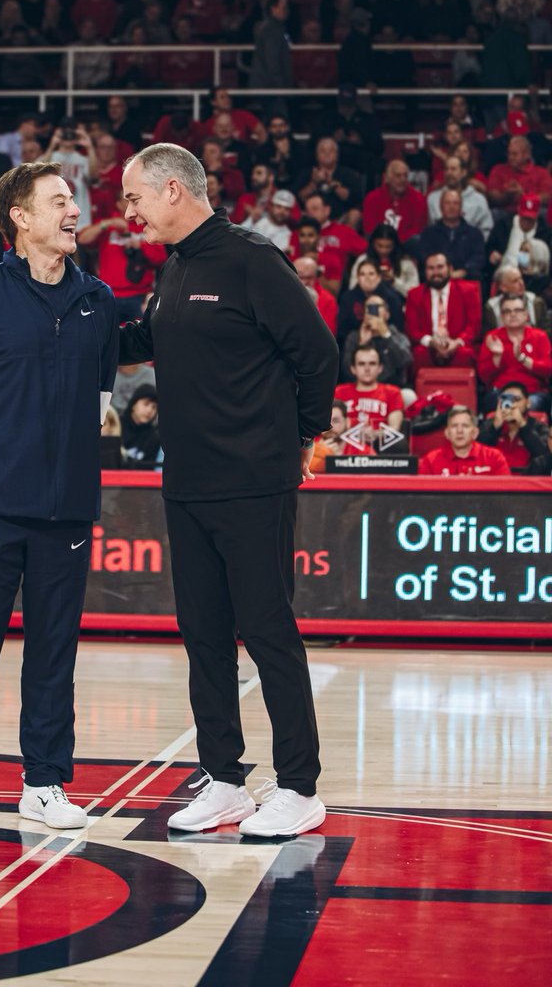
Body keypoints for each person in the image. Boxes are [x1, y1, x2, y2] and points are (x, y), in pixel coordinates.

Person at [119, 144, 337, 838]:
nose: (130, 213)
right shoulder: (175, 269)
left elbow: (318, 354)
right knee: (204, 638)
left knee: (269, 634)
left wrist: (301, 439)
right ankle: (225, 780)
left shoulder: (251, 260)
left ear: (174, 190)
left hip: (253, 484)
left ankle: (300, 788)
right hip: (186, 485)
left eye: (136, 199)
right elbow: (138, 338)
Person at [0, 160, 118, 833]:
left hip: (66, 508)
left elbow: (97, 403)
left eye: (74, 200)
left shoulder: (98, 301)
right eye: (59, 201)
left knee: (54, 650)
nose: (73, 211)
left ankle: (44, 781)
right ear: (21, 219)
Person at [405, 252, 481, 371]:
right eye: (431, 268)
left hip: (458, 343)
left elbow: (474, 326)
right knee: (419, 354)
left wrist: (457, 342)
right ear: (425, 271)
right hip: (429, 345)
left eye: (440, 267)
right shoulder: (415, 294)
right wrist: (431, 342)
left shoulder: (469, 291)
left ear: (450, 269)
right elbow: (412, 329)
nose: (435, 273)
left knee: (465, 354)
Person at [478, 295, 552, 412]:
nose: (512, 314)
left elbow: (548, 371)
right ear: (501, 317)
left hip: (533, 392)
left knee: (532, 404)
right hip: (501, 392)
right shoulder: (492, 337)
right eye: (507, 311)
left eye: (517, 310)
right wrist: (497, 357)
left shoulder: (540, 336)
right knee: (494, 402)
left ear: (526, 315)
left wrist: (522, 358)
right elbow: (484, 377)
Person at [335, 344, 405, 446]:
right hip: (345, 445)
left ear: (380, 368)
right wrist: (355, 434)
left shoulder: (392, 392)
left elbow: (394, 428)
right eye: (361, 364)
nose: (367, 368)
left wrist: (376, 434)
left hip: (380, 445)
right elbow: (332, 426)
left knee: (400, 444)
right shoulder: (340, 392)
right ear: (353, 368)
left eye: (372, 364)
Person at [418, 406, 511, 476]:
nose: (459, 431)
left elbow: (506, 495)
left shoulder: (494, 457)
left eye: (465, 426)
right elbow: (421, 498)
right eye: (454, 426)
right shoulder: (431, 460)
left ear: (475, 432)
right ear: (447, 433)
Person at [341, 294, 412, 387]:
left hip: (392, 387)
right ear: (363, 314)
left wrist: (386, 336)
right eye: (369, 307)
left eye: (377, 307)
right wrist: (362, 344)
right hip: (360, 388)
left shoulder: (397, 336)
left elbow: (404, 362)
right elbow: (347, 370)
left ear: (387, 314)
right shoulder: (354, 337)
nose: (373, 311)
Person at [477, 381, 550, 472]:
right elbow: (476, 453)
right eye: (505, 399)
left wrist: (522, 425)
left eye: (517, 399)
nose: (512, 405)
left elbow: (544, 457)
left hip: (528, 481)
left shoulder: (539, 427)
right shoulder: (489, 424)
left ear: (528, 403)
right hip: (495, 480)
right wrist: (495, 427)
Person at [417, 188, 487, 281]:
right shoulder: (429, 233)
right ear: (441, 207)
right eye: (447, 203)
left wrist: (463, 271)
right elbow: (424, 257)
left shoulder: (474, 234)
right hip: (436, 279)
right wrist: (442, 272)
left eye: (455, 203)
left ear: (461, 207)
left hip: (466, 280)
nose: (451, 207)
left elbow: (478, 258)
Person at [362, 159, 428, 242]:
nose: (403, 179)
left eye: (405, 176)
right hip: (379, 246)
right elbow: (369, 229)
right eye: (398, 176)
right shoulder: (372, 198)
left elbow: (418, 230)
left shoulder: (418, 199)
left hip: (407, 248)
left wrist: (396, 243)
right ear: (387, 178)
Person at [249, 0, 292, 109]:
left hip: (269, 85)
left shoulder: (274, 28)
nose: (286, 11)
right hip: (269, 86)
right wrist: (281, 86)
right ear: (274, 9)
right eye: (283, 8)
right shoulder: (272, 30)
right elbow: (272, 60)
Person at [484, 265, 549, 336]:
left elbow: (546, 332)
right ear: (503, 287)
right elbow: (488, 336)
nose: (521, 283)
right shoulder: (491, 308)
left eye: (521, 278)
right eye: (515, 281)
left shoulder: (537, 303)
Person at [294, 254, 338, 335]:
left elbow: (328, 334)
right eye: (301, 277)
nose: (304, 282)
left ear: (316, 276)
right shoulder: (284, 296)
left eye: (309, 278)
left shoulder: (328, 300)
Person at [120, 386, 162, 467]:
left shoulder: (155, 436)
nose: (150, 410)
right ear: (133, 404)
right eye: (146, 404)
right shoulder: (116, 425)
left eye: (154, 407)